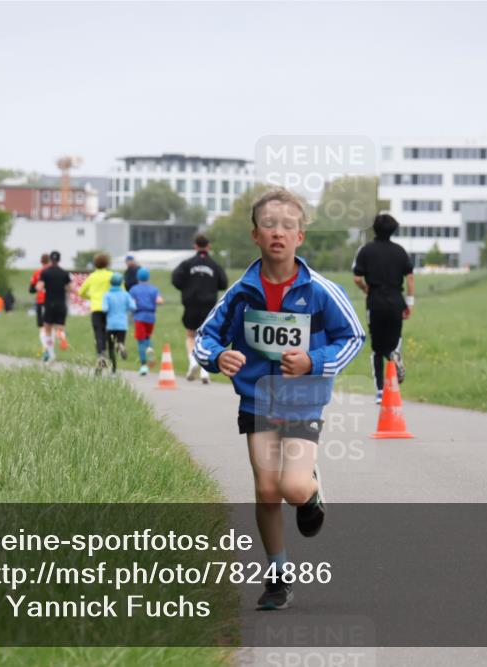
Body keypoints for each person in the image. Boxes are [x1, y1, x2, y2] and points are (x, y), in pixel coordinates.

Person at [193, 187, 364, 610]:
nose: (278, 233)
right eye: (269, 224)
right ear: (255, 234)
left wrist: (313, 361)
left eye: (288, 226)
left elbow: (353, 336)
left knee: (291, 485)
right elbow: (205, 337)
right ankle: (278, 577)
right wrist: (218, 356)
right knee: (267, 490)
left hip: (303, 398)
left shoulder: (320, 290)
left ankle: (311, 493)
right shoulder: (241, 292)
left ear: (300, 236)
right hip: (257, 401)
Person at [352, 213, 416, 403]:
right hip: (396, 301)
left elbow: (357, 278)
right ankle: (394, 357)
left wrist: (366, 289)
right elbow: (410, 278)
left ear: (374, 229)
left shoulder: (365, 251)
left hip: (375, 301)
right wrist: (409, 302)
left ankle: (380, 391)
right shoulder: (400, 251)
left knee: (376, 349)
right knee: (393, 342)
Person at [172, 233, 228, 384]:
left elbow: (175, 279)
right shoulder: (215, 265)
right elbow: (223, 284)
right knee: (206, 337)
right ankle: (205, 370)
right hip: (209, 306)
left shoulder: (187, 264)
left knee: (190, 335)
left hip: (191, 304)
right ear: (208, 246)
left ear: (195, 246)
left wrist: (187, 288)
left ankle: (193, 361)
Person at [78, 252, 115, 373]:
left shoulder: (91, 277)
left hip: (96, 308)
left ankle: (101, 354)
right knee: (109, 333)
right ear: (107, 263)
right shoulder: (112, 276)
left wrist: (92, 297)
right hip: (110, 309)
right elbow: (121, 289)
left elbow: (81, 292)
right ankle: (112, 361)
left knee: (98, 333)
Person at [37, 250, 75, 362]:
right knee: (60, 326)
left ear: (50, 260)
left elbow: (39, 287)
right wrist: (64, 288)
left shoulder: (45, 273)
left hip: (49, 303)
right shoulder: (64, 273)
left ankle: (51, 354)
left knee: (47, 329)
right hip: (61, 304)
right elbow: (71, 288)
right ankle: (61, 335)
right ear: (59, 260)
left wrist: (45, 288)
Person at [128, 267, 163, 375]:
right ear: (148, 277)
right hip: (151, 317)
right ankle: (150, 349)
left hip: (139, 316)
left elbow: (132, 304)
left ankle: (143, 365)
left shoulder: (134, 289)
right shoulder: (154, 289)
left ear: (138, 277)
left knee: (140, 341)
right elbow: (159, 301)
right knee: (147, 337)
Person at [101, 272, 136, 374]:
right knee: (120, 341)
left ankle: (113, 370)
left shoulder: (107, 295)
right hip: (122, 324)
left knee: (111, 348)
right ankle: (121, 345)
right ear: (121, 283)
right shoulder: (126, 294)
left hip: (111, 324)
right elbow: (133, 307)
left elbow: (104, 309)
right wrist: (125, 308)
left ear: (111, 282)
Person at [29, 253, 49, 351]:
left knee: (41, 326)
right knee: (50, 325)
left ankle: (45, 348)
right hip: (51, 301)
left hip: (41, 301)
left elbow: (31, 290)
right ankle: (51, 348)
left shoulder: (37, 273)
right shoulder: (52, 271)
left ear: (41, 262)